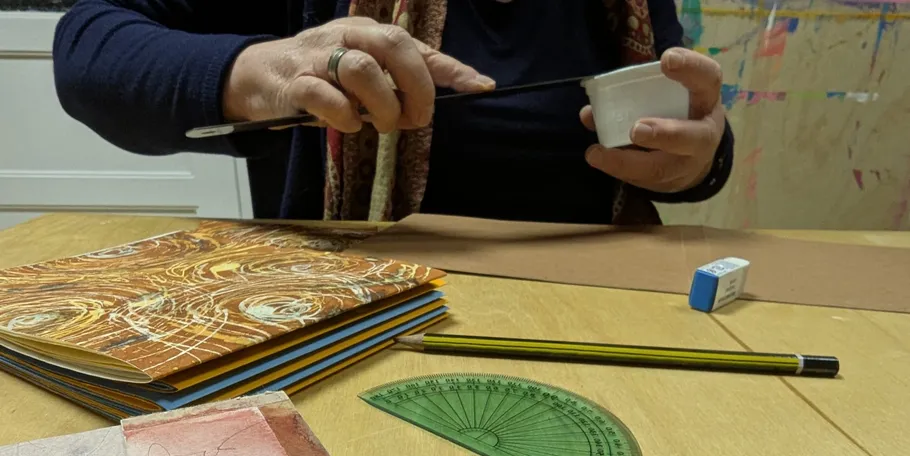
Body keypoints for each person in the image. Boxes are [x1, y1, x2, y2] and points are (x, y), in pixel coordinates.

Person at [52, 0, 734, 225]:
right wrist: (262, 72)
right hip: (355, 321)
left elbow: (680, 115)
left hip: (600, 305)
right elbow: (87, 51)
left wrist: (700, 159)